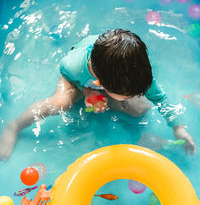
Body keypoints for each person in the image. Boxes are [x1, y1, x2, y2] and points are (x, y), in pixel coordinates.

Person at [0, 29, 196, 160]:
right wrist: (87, 91)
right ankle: (15, 126)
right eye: (127, 94)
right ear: (100, 83)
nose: (134, 95)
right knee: (62, 102)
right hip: (76, 79)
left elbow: (160, 98)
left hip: (105, 75)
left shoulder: (139, 72)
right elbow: (66, 72)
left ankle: (109, 98)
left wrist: (178, 128)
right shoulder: (74, 65)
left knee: (140, 108)